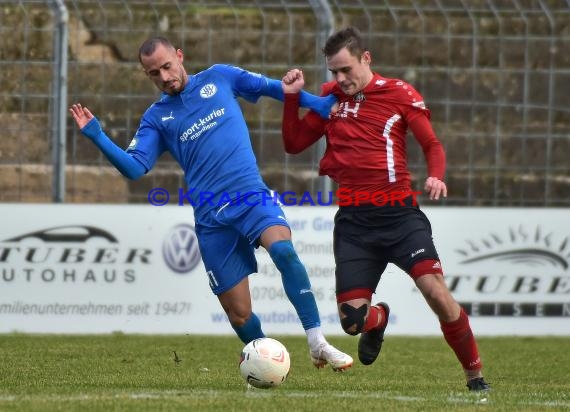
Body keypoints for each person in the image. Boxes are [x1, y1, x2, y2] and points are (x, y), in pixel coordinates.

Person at [69, 36, 352, 371]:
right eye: (154, 73)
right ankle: (265, 362)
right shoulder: (156, 118)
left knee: (284, 252)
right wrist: (97, 135)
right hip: (210, 217)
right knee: (239, 313)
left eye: (166, 66)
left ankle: (317, 342)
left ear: (179, 56)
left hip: (250, 195)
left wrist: (318, 105)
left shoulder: (220, 77)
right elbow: (134, 168)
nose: (164, 76)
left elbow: (273, 88)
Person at [280, 27, 490, 391]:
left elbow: (431, 143)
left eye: (346, 70)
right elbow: (294, 143)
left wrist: (436, 176)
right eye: (334, 72)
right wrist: (291, 98)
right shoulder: (330, 99)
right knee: (352, 323)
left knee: (436, 292)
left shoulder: (400, 94)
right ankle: (378, 321)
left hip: (399, 215)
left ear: (366, 58)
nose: (340, 79)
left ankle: (475, 376)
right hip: (354, 223)